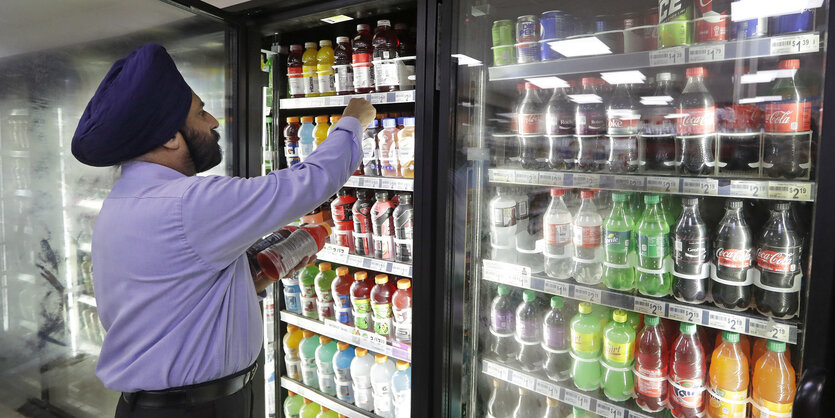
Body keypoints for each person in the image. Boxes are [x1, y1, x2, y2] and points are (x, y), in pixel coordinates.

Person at [70, 43, 376, 418]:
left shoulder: (125, 199)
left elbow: (172, 292)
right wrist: (353, 121)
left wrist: (250, 280)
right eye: (200, 113)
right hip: (194, 409)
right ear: (170, 137)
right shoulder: (187, 203)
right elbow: (309, 183)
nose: (214, 121)